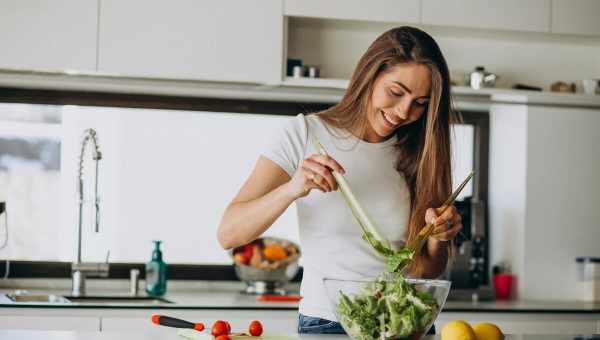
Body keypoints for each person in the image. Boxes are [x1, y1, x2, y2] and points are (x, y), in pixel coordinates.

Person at [217, 26, 463, 335]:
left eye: (420, 103)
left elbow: (425, 269)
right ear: (369, 76)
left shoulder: (423, 152)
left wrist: (440, 235)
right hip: (328, 323)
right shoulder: (304, 135)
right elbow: (229, 233)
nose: (404, 112)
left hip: (405, 323)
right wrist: (292, 188)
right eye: (396, 92)